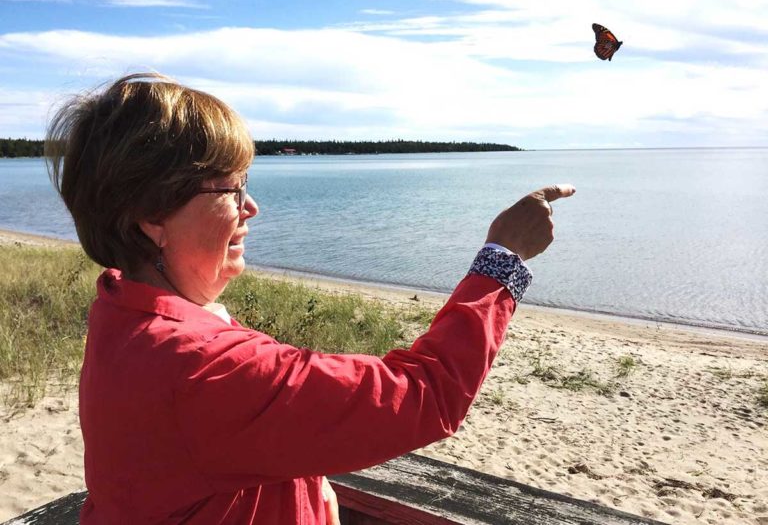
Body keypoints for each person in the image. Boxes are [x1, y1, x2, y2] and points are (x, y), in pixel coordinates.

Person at [45, 72, 575, 524]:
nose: (251, 207)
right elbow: (424, 395)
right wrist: (503, 260)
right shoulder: (202, 368)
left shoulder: (122, 311)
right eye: (230, 189)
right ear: (151, 215)